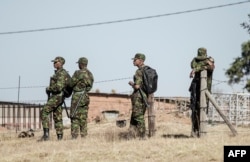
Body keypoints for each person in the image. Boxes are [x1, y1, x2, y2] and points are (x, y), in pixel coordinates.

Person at [40, 56, 70, 141]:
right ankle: (60, 138)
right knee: (57, 117)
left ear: (60, 63)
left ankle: (46, 135)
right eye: (54, 62)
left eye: (55, 62)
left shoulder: (61, 73)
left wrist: (49, 88)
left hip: (57, 96)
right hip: (59, 97)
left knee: (44, 111)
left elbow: (59, 87)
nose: (54, 64)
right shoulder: (59, 73)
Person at [189, 48, 215, 137]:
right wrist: (202, 65)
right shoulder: (196, 60)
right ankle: (195, 131)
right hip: (195, 89)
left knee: (203, 110)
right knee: (194, 110)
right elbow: (192, 64)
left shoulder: (210, 60)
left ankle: (202, 132)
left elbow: (211, 67)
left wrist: (197, 69)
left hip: (205, 90)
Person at [70, 57, 94, 139]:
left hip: (77, 97)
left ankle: (74, 136)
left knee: (74, 117)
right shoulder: (90, 74)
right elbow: (90, 87)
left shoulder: (77, 73)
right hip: (85, 96)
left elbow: (70, 84)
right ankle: (84, 136)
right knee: (83, 117)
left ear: (81, 64)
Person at [128, 53, 148, 139]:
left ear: (140, 60)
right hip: (144, 96)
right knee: (134, 116)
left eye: (135, 59)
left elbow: (137, 86)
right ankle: (131, 136)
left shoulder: (139, 71)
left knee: (138, 116)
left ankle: (142, 136)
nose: (133, 61)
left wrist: (132, 84)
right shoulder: (147, 69)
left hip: (138, 96)